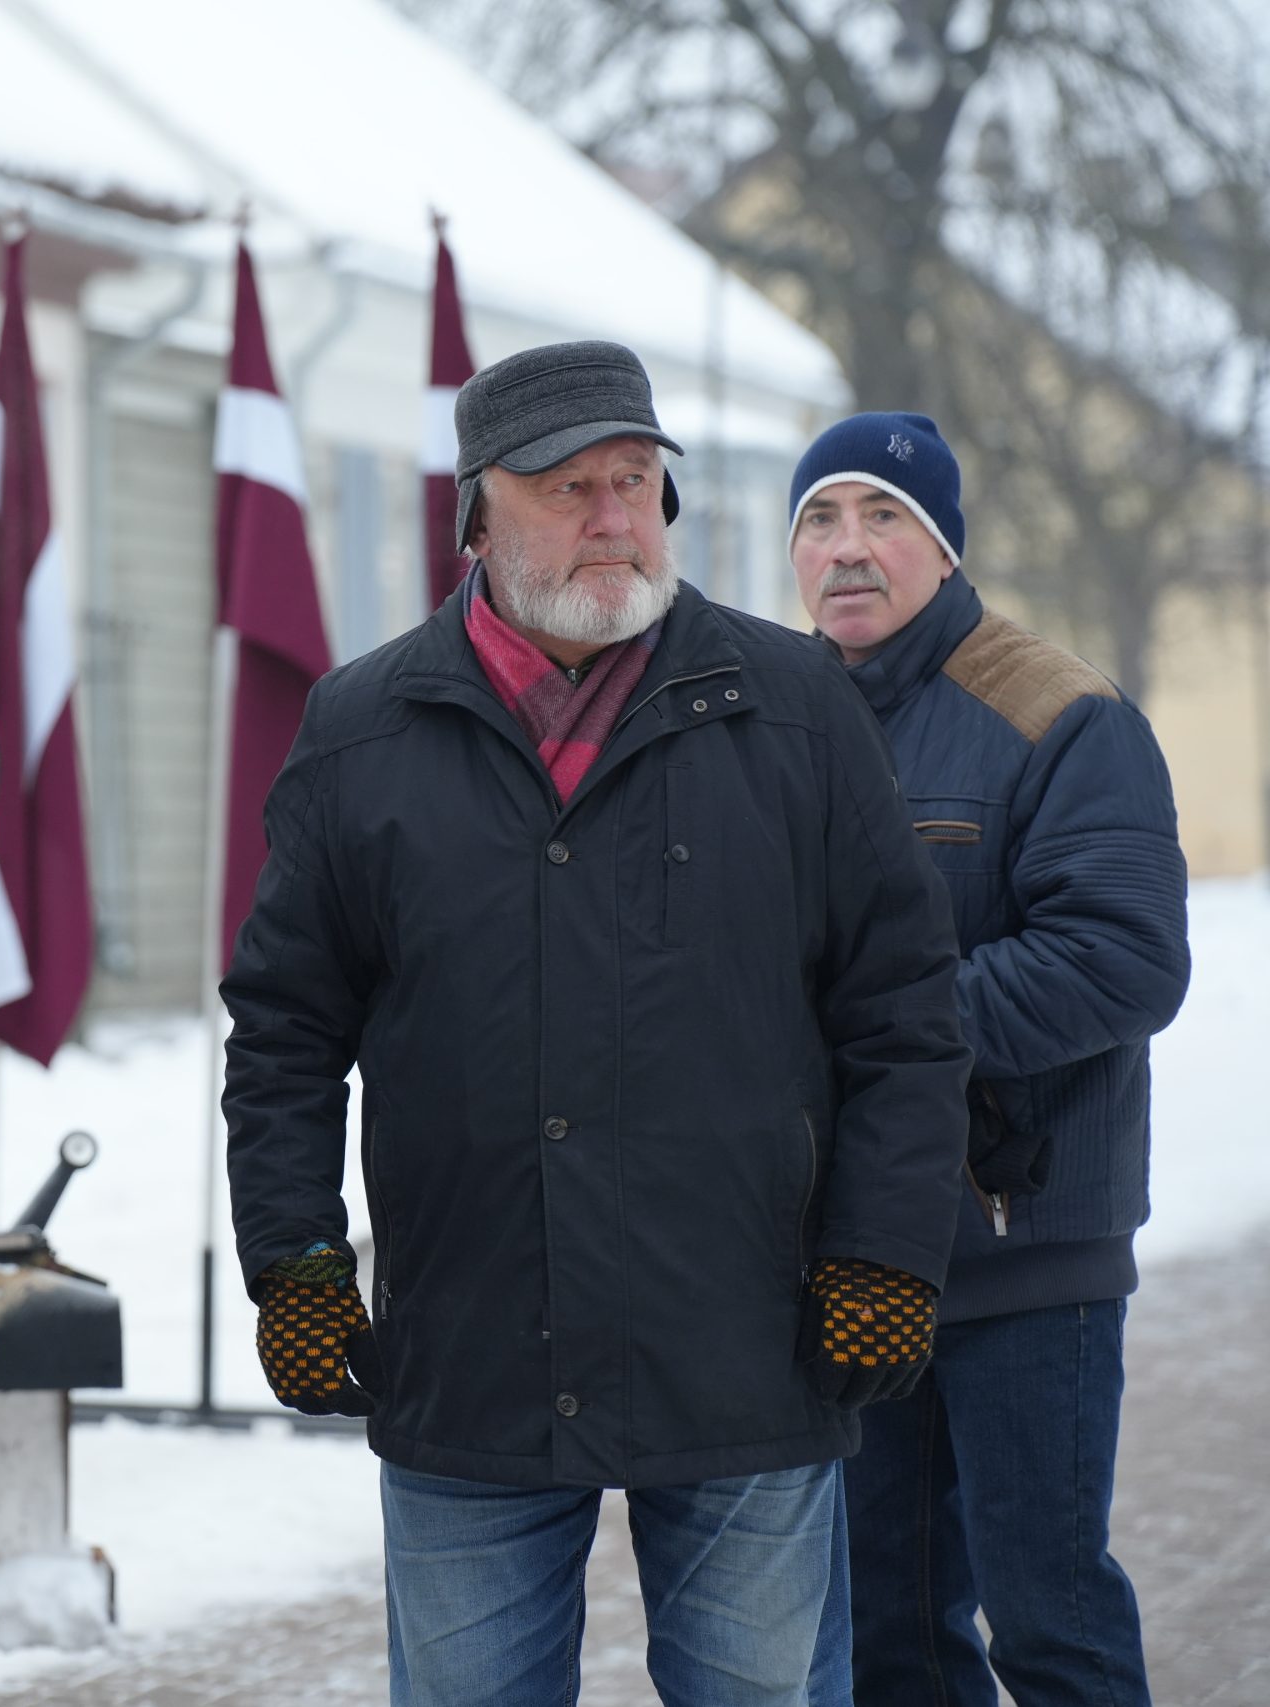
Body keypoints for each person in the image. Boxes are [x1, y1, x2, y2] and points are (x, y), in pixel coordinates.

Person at [222, 340, 973, 1707]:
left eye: (633, 480)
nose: (614, 516)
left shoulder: (796, 710)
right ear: (477, 516)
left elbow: (902, 1012)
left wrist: (882, 1254)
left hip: (749, 1346)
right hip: (471, 1358)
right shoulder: (362, 729)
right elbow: (284, 1032)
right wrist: (298, 1262)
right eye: (568, 488)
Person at [788, 413, 1190, 1706]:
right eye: (819, 519)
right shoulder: (779, 722)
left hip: (1024, 1251)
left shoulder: (1060, 714)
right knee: (884, 1634)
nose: (848, 548)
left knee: (1050, 1623)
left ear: (947, 545)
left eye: (884, 515)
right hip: (853, 1250)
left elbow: (1123, 958)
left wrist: (885, 1027)